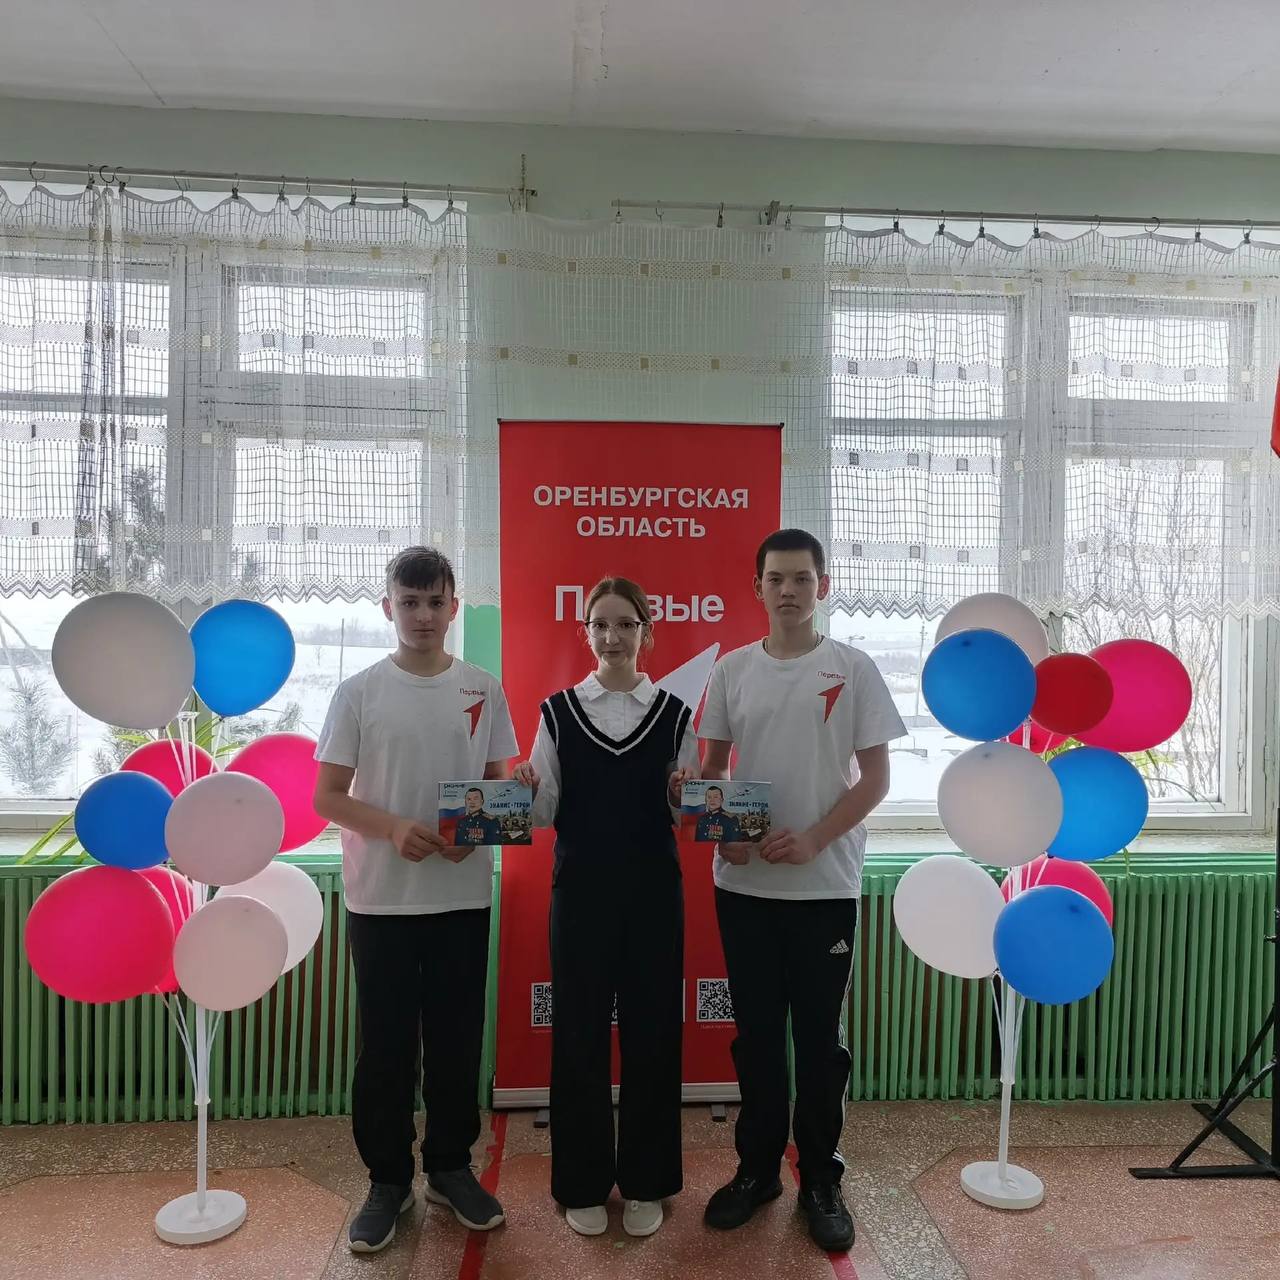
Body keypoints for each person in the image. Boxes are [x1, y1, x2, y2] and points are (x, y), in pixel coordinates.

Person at [698, 529, 906, 1253]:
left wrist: (816, 838)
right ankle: (757, 1172)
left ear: (823, 585)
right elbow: (712, 771)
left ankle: (820, 1177)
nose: (788, 591)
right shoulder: (732, 670)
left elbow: (877, 779)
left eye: (802, 579)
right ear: (756, 586)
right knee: (757, 1039)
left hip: (825, 886)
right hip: (745, 888)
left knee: (819, 1044)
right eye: (776, 579)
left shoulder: (852, 668)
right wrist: (724, 831)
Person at [314, 546, 518, 1254]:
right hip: (381, 903)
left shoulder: (482, 687)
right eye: (410, 602)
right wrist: (393, 828)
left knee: (457, 1043)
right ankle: (388, 1180)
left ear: (454, 607)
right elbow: (327, 797)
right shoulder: (359, 692)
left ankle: (451, 1168)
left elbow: (500, 786)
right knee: (386, 1050)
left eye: (435, 602)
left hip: (462, 898)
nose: (423, 615)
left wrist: (478, 831)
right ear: (388, 608)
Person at [514, 576, 700, 1240]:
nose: (613, 636)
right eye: (601, 624)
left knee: (654, 1034)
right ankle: (582, 1183)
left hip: (653, 896)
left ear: (646, 632)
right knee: (579, 1036)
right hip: (581, 896)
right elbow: (541, 813)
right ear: (585, 632)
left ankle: (649, 1181)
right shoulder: (556, 713)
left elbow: (690, 815)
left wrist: (685, 794)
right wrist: (524, 788)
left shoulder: (676, 714)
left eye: (626, 624)